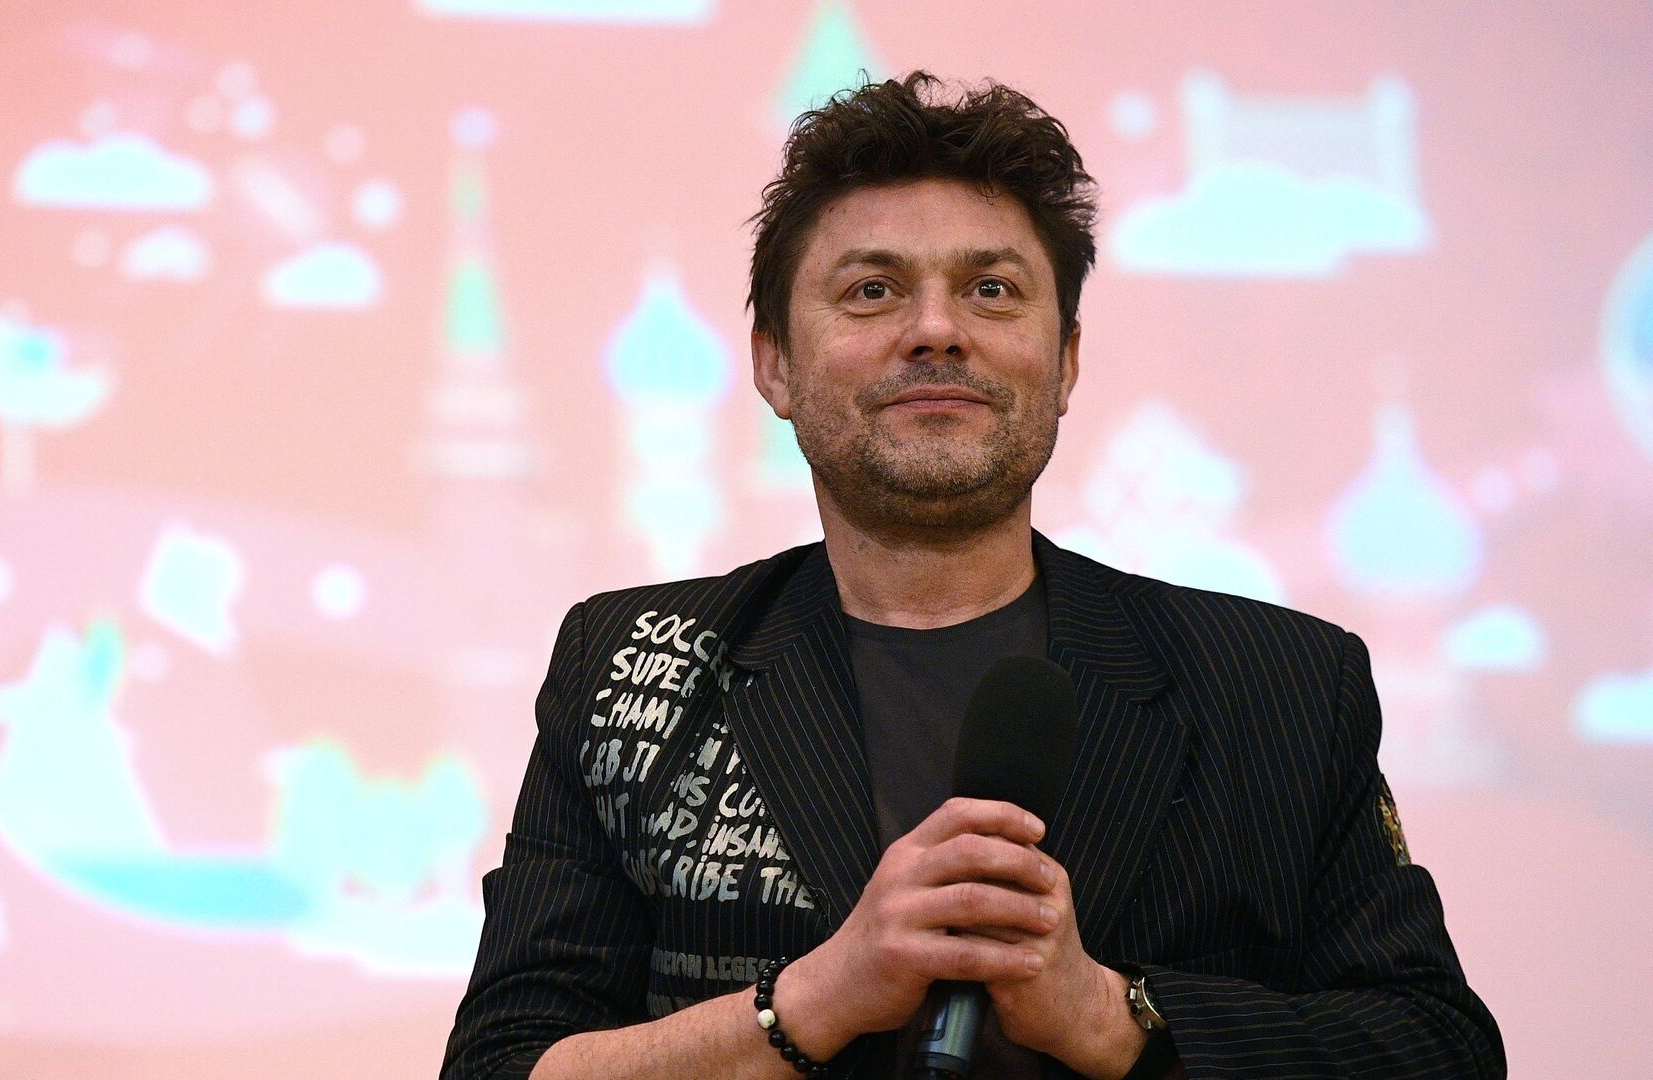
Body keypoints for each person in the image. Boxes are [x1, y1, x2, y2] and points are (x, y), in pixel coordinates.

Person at [442, 72, 1506, 1080]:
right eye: (872, 291)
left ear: (1066, 360)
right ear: (773, 364)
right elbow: (502, 1063)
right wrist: (815, 998)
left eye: (991, 290)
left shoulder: (1280, 685)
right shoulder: (632, 666)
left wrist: (1115, 1020)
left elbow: (1438, 1050)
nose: (936, 330)